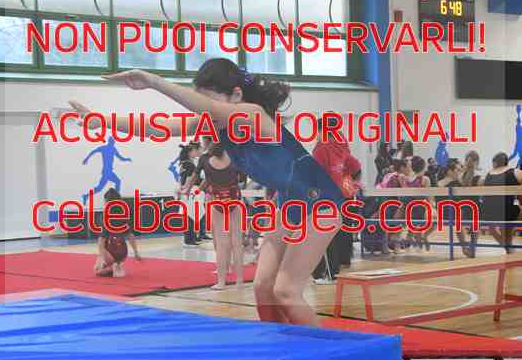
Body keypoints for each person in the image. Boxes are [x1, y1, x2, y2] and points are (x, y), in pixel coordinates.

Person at [70, 59, 348, 326]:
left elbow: (208, 107)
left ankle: (322, 353)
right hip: (290, 206)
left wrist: (154, 81)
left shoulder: (253, 115)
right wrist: (101, 120)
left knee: (286, 292)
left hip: (320, 204)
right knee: (263, 287)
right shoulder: (215, 123)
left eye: (208, 103)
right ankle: (280, 344)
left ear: (236, 95)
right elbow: (159, 128)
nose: (204, 115)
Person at [311, 116, 358, 282]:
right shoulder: (342, 145)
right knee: (339, 232)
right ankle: (337, 267)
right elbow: (355, 166)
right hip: (343, 195)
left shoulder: (321, 147)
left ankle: (326, 273)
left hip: (326, 195)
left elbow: (316, 173)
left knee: (324, 234)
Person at [202, 142, 244, 290]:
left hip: (217, 201)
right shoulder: (235, 158)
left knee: (221, 244)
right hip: (234, 200)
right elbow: (242, 178)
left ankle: (221, 282)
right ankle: (239, 281)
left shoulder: (206, 161)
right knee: (237, 243)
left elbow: (207, 182)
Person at [95, 187, 142, 277]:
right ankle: (117, 264)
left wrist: (101, 257)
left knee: (97, 270)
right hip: (123, 252)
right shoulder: (124, 215)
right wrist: (136, 252)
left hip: (111, 249)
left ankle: (112, 265)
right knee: (102, 268)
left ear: (107, 201)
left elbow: (101, 239)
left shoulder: (105, 216)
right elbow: (130, 235)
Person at [480, 152, 522, 253]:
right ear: (507, 162)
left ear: (494, 163)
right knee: (511, 214)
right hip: (508, 212)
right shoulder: (515, 172)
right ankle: (509, 247)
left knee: (500, 224)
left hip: (489, 213)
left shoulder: (488, 175)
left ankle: (508, 248)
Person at [178, 142, 202, 246]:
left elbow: (182, 179)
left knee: (189, 215)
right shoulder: (189, 164)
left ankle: (191, 237)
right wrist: (187, 189)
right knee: (190, 215)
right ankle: (189, 238)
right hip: (189, 191)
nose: (195, 152)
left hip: (186, 190)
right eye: (193, 151)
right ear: (189, 153)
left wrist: (182, 188)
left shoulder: (182, 164)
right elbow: (189, 178)